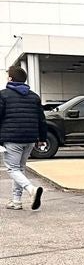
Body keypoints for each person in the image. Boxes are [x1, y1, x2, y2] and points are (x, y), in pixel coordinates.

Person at [0, 65, 47, 210]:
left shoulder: (3, 95)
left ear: (10, 78)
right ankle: (16, 201)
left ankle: (31, 190)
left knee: (13, 169)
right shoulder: (34, 96)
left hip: (12, 138)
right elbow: (41, 119)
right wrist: (42, 138)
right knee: (20, 168)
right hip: (30, 139)